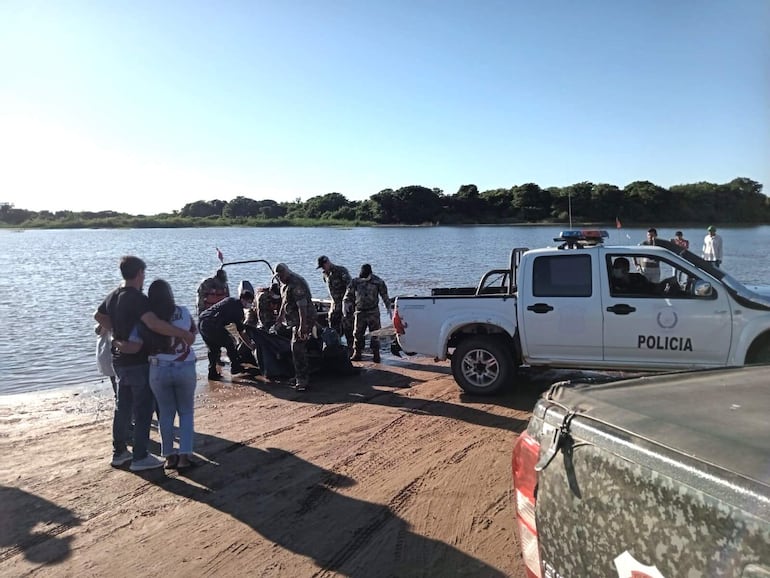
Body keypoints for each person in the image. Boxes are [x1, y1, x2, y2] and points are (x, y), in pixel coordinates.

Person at [94, 256, 195, 472]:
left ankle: (119, 452)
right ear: (139, 273)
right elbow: (154, 323)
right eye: (143, 273)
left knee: (122, 407)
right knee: (143, 410)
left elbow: (98, 315)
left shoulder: (114, 295)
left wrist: (117, 332)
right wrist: (182, 333)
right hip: (139, 362)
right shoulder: (137, 298)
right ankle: (140, 456)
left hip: (119, 361)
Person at [118, 280, 198, 470]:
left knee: (166, 413)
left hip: (158, 369)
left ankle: (169, 457)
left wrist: (116, 342)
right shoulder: (183, 311)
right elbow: (192, 337)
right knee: (186, 413)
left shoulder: (146, 319)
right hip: (184, 365)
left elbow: (135, 344)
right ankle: (185, 457)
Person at [274, 263, 317, 392]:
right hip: (294, 320)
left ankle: (302, 379)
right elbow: (284, 301)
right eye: (278, 276)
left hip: (305, 318)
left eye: (282, 275)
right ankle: (299, 375)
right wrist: (280, 317)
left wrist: (303, 326)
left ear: (287, 272)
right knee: (297, 347)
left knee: (297, 347)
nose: (280, 278)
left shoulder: (296, 283)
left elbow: (302, 306)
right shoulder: (284, 285)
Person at [198, 290, 257, 381]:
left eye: (251, 302)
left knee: (213, 348)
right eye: (248, 301)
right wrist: (250, 346)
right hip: (212, 324)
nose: (249, 304)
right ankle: (235, 367)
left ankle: (212, 373)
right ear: (242, 299)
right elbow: (241, 332)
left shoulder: (230, 300)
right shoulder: (239, 311)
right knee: (230, 342)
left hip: (202, 321)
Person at [343, 263, 392, 363]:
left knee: (375, 334)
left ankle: (376, 354)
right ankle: (357, 353)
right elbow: (348, 294)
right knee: (357, 333)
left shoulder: (378, 282)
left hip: (373, 311)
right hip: (360, 311)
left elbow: (385, 295)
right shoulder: (356, 282)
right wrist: (345, 303)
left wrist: (388, 307)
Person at [316, 255, 354, 352]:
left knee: (348, 328)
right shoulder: (325, 274)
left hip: (345, 304)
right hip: (334, 304)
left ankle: (352, 349)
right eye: (321, 267)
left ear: (327, 262)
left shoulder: (341, 271)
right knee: (332, 326)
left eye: (323, 266)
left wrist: (348, 300)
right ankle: (336, 349)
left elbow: (350, 286)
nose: (323, 268)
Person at [95, 323, 117, 396]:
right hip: (109, 352)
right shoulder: (105, 319)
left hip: (117, 350)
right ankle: (117, 397)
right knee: (114, 377)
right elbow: (98, 331)